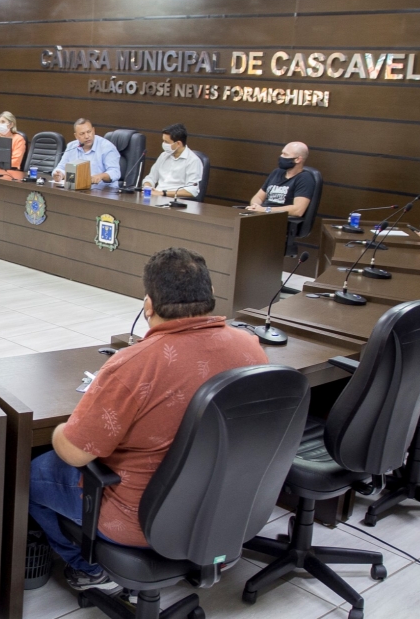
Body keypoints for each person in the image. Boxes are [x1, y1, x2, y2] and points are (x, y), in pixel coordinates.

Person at [26, 248, 268, 591]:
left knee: (32, 475)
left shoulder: (134, 365)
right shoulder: (251, 349)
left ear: (148, 306)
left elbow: (76, 454)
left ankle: (88, 569)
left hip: (141, 521)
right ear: (211, 296)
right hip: (225, 510)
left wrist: (63, 431)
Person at [247, 142, 314, 217]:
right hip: (261, 216)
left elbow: (298, 210)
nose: (281, 157)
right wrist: (255, 206)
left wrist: (266, 210)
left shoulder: (305, 179)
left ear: (298, 159)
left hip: (280, 220)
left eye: (285, 154)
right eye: (282, 153)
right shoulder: (277, 172)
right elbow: (258, 197)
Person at [52, 118, 121, 188]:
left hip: (103, 192)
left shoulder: (107, 147)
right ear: (76, 136)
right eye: (82, 134)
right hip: (77, 190)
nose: (87, 136)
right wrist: (60, 174)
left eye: (89, 132)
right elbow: (61, 168)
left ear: (93, 131)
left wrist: (100, 176)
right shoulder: (71, 146)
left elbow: (115, 172)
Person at [141, 123, 203, 198]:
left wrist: (163, 193)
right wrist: (148, 187)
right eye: (163, 141)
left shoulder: (193, 161)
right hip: (156, 198)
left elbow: (192, 191)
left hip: (176, 203)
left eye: (166, 142)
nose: (163, 144)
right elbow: (150, 178)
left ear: (178, 144)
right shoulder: (163, 156)